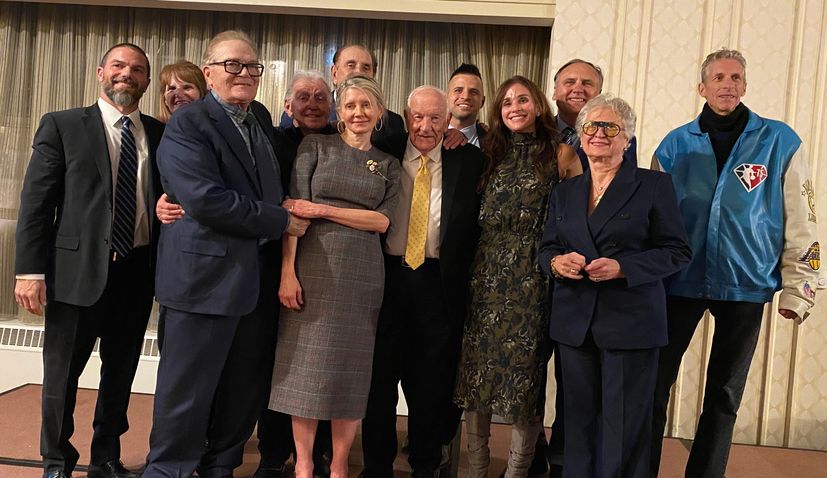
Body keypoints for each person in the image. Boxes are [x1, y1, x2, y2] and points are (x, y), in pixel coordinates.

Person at [142, 30, 309, 478]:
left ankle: (220, 468)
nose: (244, 73)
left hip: (255, 283)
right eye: (232, 64)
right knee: (187, 395)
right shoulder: (189, 122)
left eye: (252, 66)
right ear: (209, 71)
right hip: (202, 283)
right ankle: (169, 471)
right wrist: (280, 220)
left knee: (243, 392)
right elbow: (205, 200)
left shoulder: (258, 117)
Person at [650, 48, 819, 478]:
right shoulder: (673, 146)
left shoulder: (780, 142)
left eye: (736, 77)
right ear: (702, 87)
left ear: (745, 85)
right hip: (679, 282)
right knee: (652, 384)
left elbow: (803, 218)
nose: (728, 84)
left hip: (746, 283)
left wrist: (800, 288)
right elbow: (652, 220)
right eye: (719, 77)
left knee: (724, 394)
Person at [14, 43, 164, 478]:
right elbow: (36, 206)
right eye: (118, 65)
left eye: (137, 69)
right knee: (61, 376)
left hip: (136, 272)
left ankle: (106, 456)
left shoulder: (160, 134)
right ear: (101, 73)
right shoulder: (62, 125)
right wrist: (29, 271)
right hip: (74, 275)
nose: (126, 74)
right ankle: (56, 461)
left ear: (146, 81)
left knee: (121, 373)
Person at [538, 94, 691, 478]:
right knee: (576, 422)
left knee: (622, 426)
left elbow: (676, 252)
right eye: (591, 126)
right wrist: (556, 263)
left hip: (630, 321)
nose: (599, 134)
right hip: (575, 323)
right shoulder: (565, 190)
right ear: (581, 134)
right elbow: (547, 248)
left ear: (627, 138)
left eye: (611, 127)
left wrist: (624, 267)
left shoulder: (654, 185)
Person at [268, 75, 400, 478]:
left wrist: (323, 209)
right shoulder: (315, 147)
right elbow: (294, 212)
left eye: (366, 105)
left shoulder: (388, 164)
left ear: (379, 112)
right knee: (305, 369)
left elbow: (382, 222)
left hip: (362, 277)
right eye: (350, 105)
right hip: (312, 268)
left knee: (350, 371)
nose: (358, 112)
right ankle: (304, 465)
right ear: (339, 112)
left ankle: (340, 465)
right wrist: (287, 273)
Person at [453, 75, 581, 478]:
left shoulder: (561, 154)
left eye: (523, 100)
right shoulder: (489, 152)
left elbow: (577, 220)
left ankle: (515, 473)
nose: (515, 108)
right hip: (485, 277)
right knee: (476, 379)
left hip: (533, 281)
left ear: (539, 106)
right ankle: (476, 470)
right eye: (507, 102)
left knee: (525, 384)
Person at [359, 86, 486, 478]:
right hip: (386, 279)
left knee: (431, 386)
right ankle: (377, 467)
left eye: (435, 118)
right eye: (418, 117)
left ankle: (426, 466)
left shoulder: (470, 160)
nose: (426, 127)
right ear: (405, 117)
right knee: (379, 383)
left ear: (448, 121)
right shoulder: (383, 150)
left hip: (438, 285)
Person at [447, 63, 486, 147]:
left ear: (482, 102)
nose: (466, 97)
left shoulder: (496, 143)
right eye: (458, 90)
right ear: (446, 98)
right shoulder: (428, 135)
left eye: (474, 92)